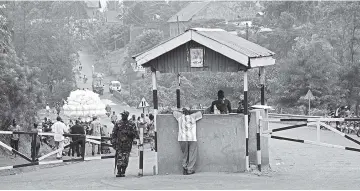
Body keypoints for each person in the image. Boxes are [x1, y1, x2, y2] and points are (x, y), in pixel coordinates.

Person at [173, 108, 203, 175]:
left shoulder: (179, 116)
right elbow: (201, 112)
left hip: (182, 138)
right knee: (192, 154)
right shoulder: (194, 116)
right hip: (192, 138)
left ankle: (184, 166)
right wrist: (192, 111)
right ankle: (190, 169)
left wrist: (180, 111)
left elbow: (173, 112)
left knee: (185, 154)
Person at [111, 111, 137, 177]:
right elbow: (114, 134)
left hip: (127, 145)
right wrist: (113, 142)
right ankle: (119, 171)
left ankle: (123, 171)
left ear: (127, 116)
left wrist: (128, 133)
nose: (123, 116)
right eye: (122, 115)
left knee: (125, 158)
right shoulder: (118, 123)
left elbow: (135, 134)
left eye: (124, 115)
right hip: (119, 144)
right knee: (119, 157)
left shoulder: (131, 124)